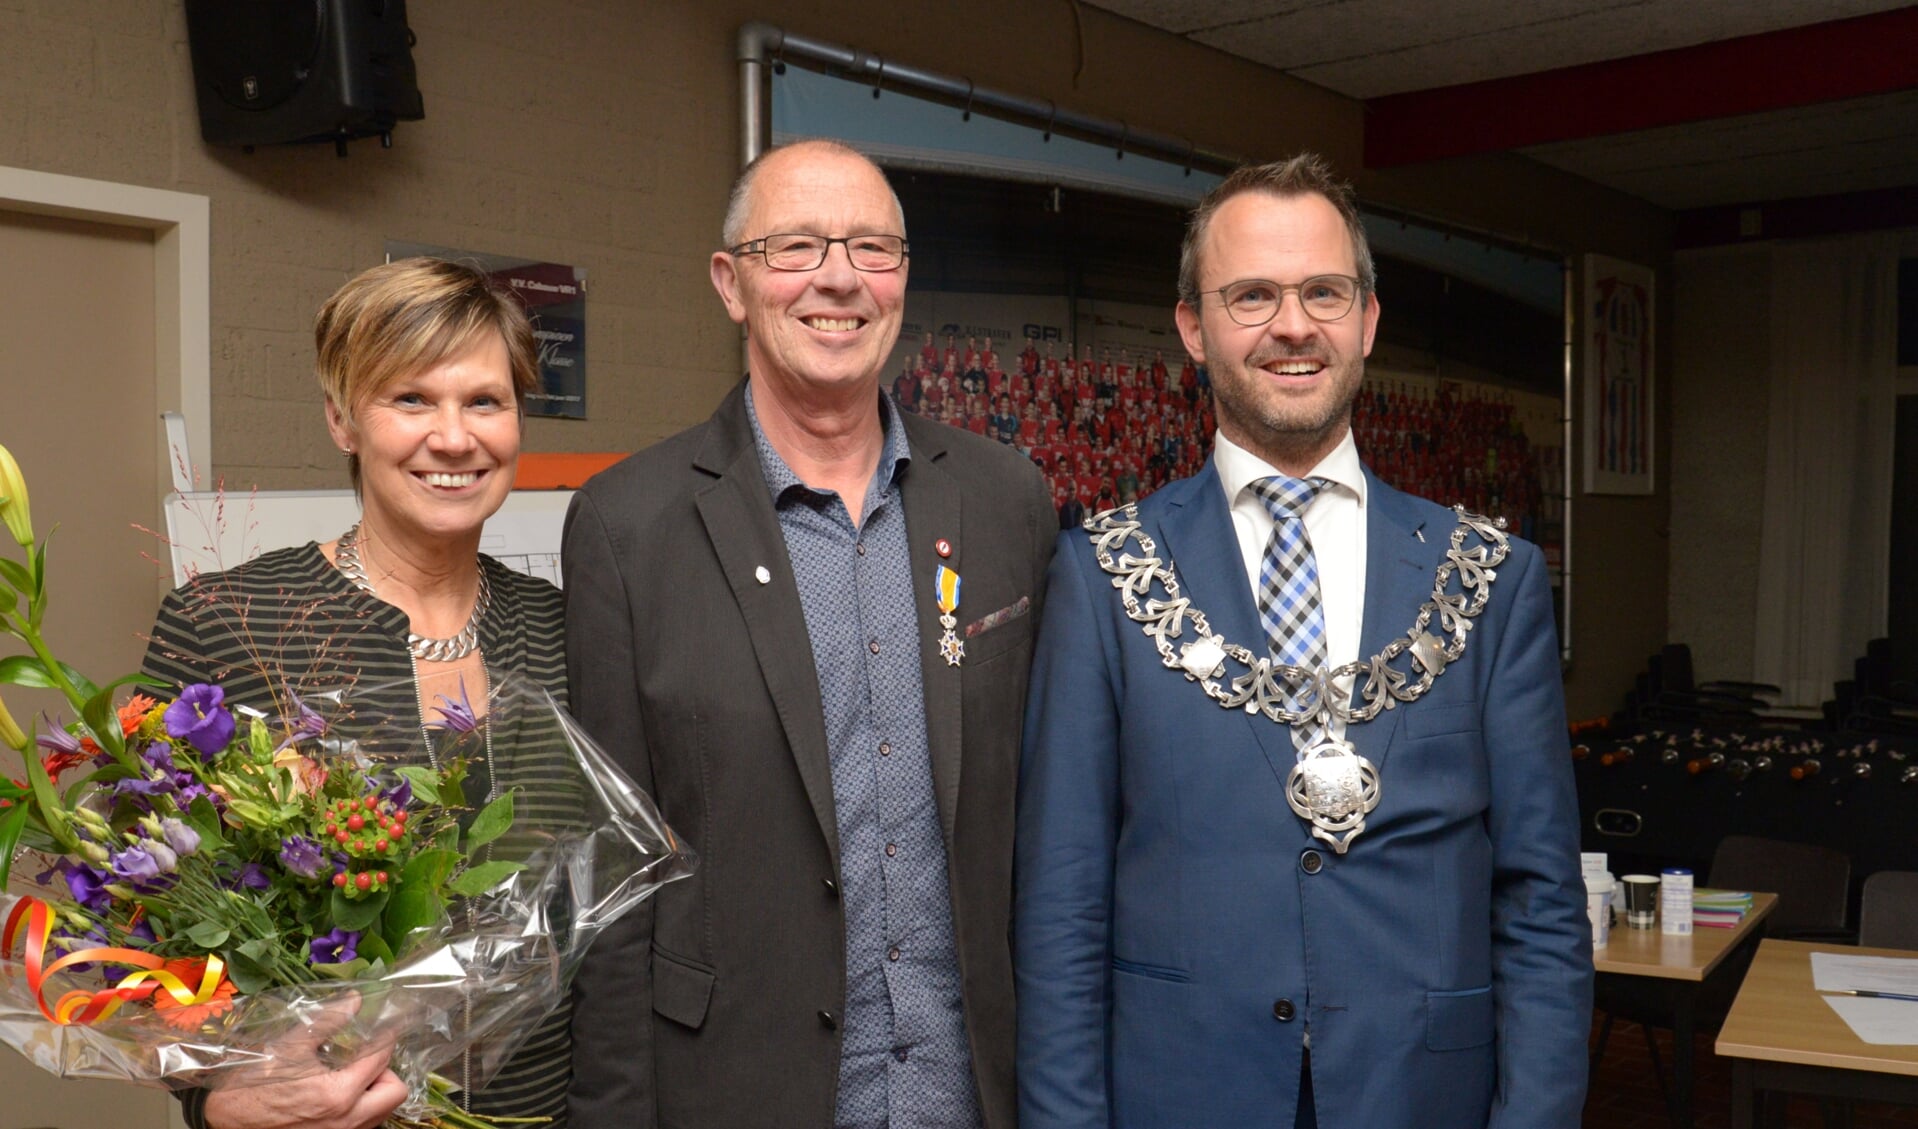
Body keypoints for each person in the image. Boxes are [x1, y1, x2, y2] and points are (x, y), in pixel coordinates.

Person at [1014, 154, 1588, 1129]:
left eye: (1323, 291)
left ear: (1366, 319)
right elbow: (1061, 914)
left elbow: (1539, 908)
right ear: (1193, 327)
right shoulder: (1104, 576)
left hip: (1420, 1095)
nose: (1292, 324)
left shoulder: (1489, 579)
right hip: (1180, 1095)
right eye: (1252, 296)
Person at [563, 139, 1055, 1129]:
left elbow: (1048, 831)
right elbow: (609, 882)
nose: (839, 276)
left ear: (902, 278)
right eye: (796, 246)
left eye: (872, 247)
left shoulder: (1009, 501)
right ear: (731, 283)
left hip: (971, 1094)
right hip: (738, 1090)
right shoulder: (628, 525)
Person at [142, 258, 572, 1129]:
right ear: (342, 419)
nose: (454, 438)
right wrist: (217, 1099)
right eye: (410, 399)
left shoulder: (573, 628)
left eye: (485, 401)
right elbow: (148, 926)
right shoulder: (225, 621)